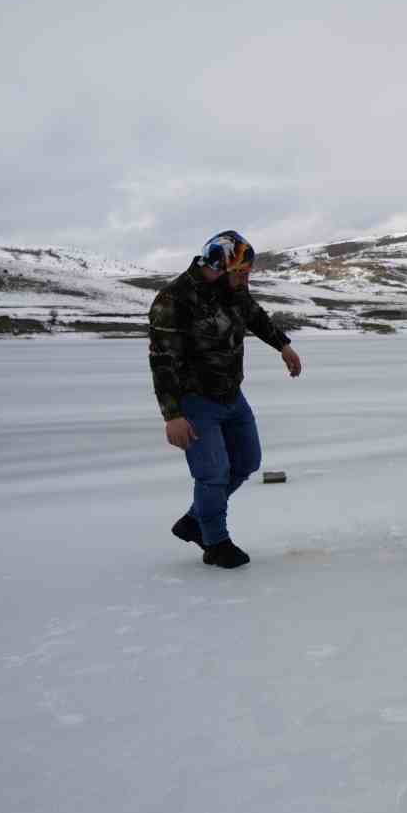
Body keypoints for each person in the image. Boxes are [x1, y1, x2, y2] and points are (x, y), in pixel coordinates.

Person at [148, 230, 303, 569]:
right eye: (242, 272)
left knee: (247, 461)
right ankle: (215, 543)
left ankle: (194, 520)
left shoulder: (232, 290)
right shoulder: (173, 300)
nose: (246, 278)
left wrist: (283, 345)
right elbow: (162, 362)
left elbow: (254, 315)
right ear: (218, 264)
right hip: (194, 400)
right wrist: (172, 415)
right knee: (212, 473)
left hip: (232, 395)